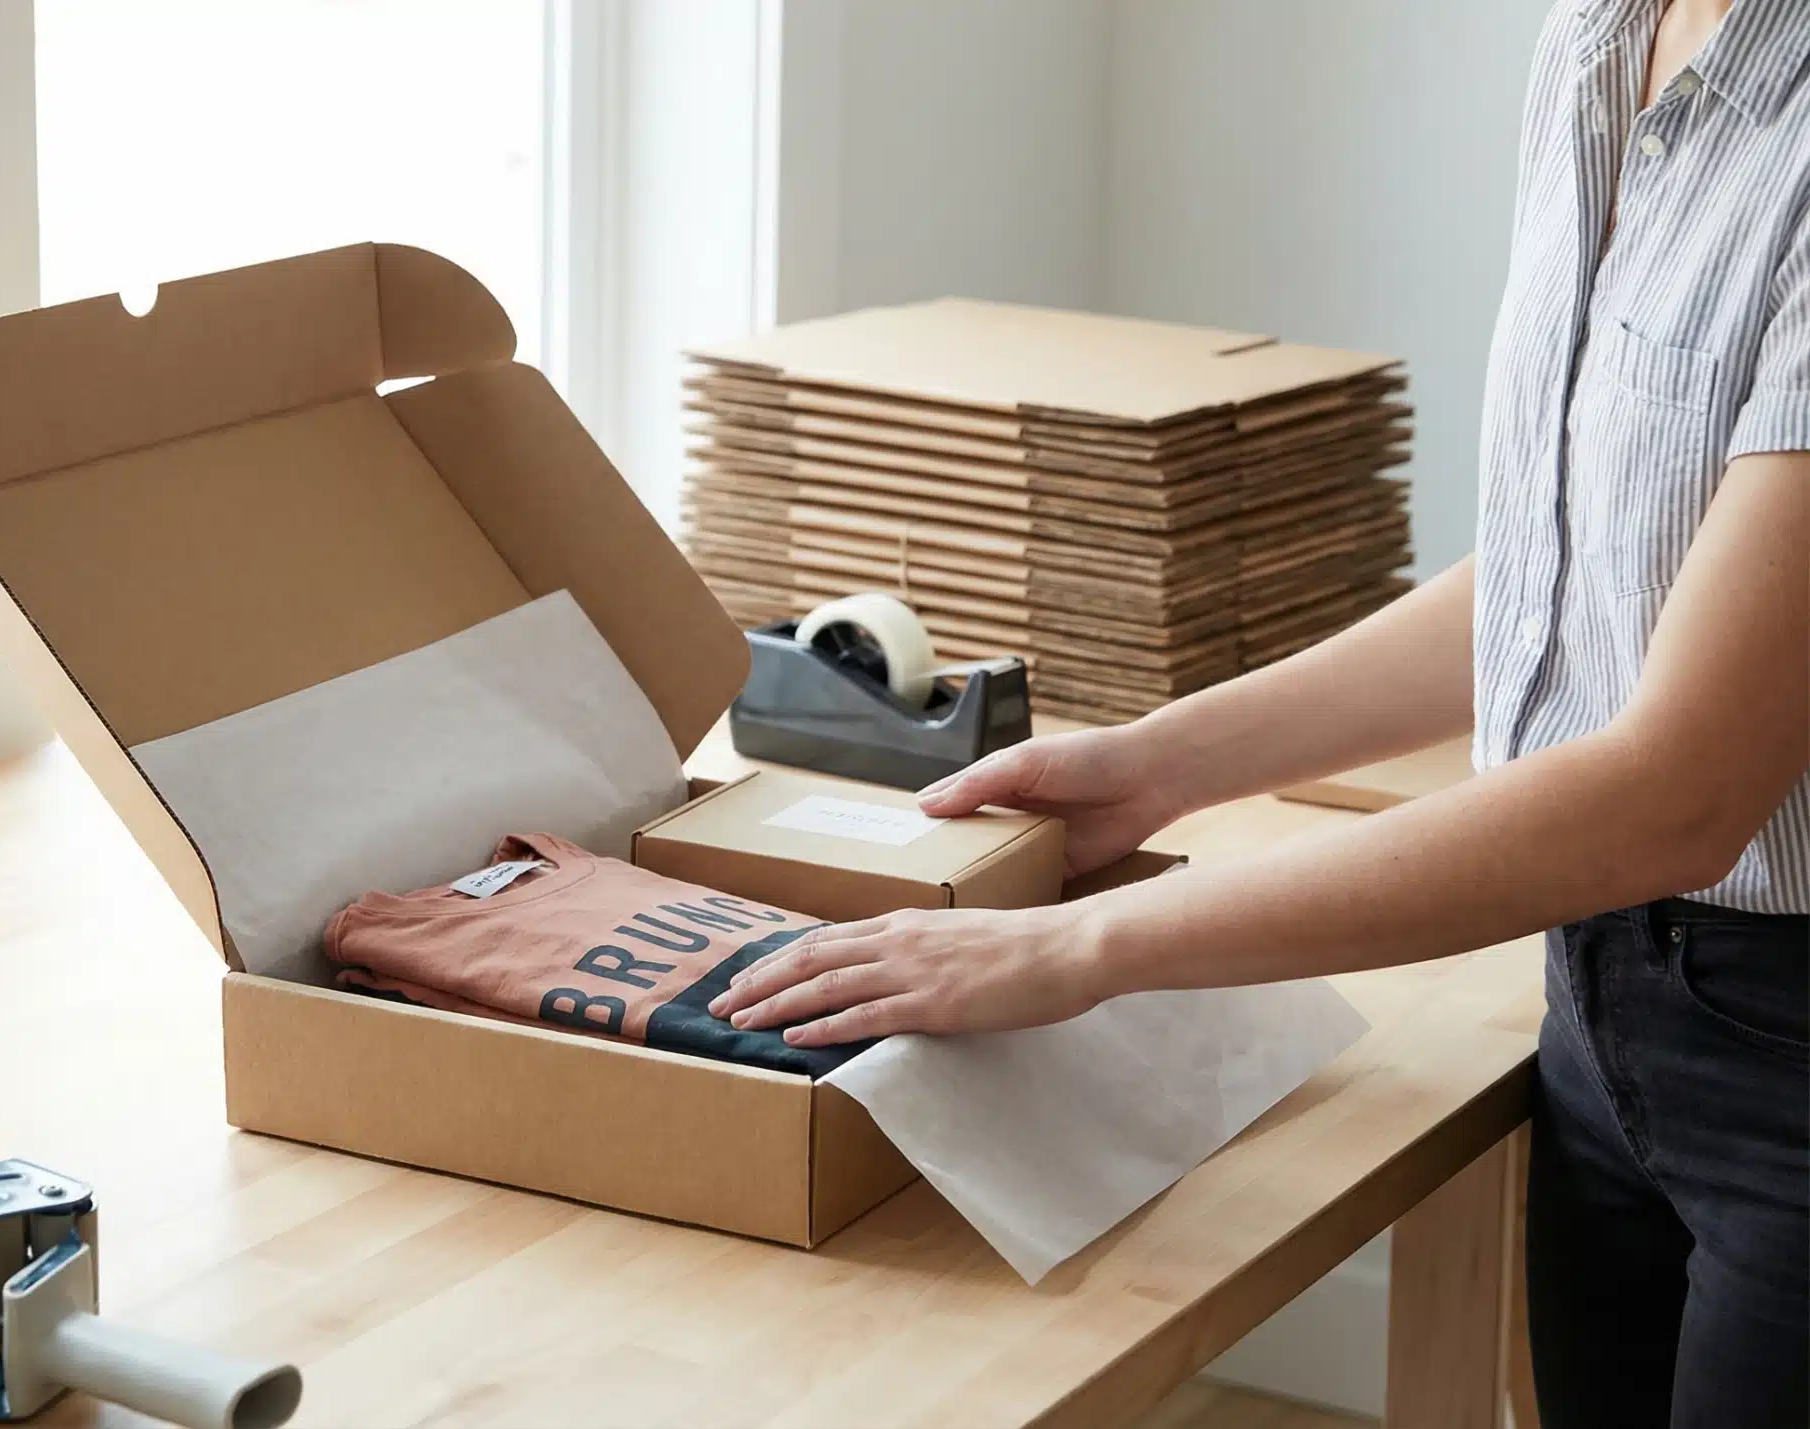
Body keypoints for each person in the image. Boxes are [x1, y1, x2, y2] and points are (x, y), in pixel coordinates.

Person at [709, 0, 1809, 1422]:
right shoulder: (1604, 39)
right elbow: (1586, 564)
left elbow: (1680, 792)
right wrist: (1159, 766)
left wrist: (1088, 947)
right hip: (1599, 999)